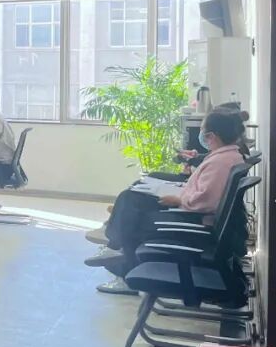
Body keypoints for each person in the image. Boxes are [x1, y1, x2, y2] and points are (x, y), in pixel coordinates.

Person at [87, 110, 247, 295]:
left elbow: (204, 202)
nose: (201, 136)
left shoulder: (221, 161)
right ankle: (115, 242)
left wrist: (178, 199)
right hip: (195, 212)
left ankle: (118, 253)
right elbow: (207, 192)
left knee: (133, 211)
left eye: (203, 132)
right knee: (133, 196)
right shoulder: (227, 155)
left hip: (196, 219)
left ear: (212, 136)